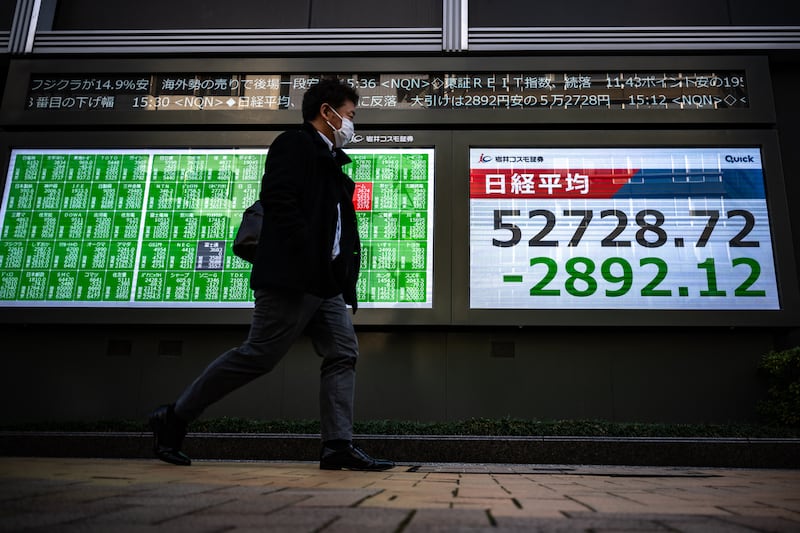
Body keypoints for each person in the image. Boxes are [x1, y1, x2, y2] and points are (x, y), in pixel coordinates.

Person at [148, 78, 394, 471]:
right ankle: (174, 417)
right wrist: (307, 254)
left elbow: (334, 227)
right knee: (258, 355)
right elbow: (279, 201)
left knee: (343, 353)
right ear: (326, 112)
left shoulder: (333, 165)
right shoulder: (293, 145)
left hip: (324, 284)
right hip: (294, 277)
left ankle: (337, 446)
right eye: (349, 115)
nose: (352, 123)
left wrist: (339, 274)